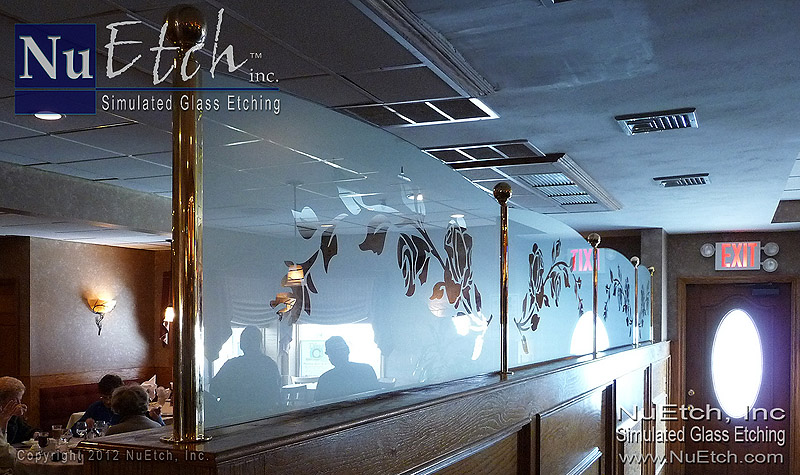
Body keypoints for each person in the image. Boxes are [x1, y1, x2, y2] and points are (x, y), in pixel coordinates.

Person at [209, 326, 281, 421]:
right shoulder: (269, 364)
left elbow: (214, 389)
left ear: (241, 345)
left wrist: (233, 392)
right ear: (260, 343)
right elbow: (276, 395)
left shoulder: (232, 365)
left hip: (233, 418)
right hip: (263, 418)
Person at [74, 374, 163, 435]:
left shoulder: (130, 409)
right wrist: (86, 425)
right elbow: (73, 430)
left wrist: (157, 418)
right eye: (104, 397)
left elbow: (163, 432)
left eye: (111, 397)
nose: (108, 401)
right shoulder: (96, 408)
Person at [314, 336, 379, 402]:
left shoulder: (325, 379)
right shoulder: (366, 369)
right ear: (348, 351)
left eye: (332, 353)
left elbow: (319, 404)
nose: (338, 353)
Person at [0, 377, 28, 471]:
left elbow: (24, 430)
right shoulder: (6, 413)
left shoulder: (8, 413)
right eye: (16, 400)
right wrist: (5, 419)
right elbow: (5, 455)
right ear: (2, 400)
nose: (19, 404)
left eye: (20, 400)